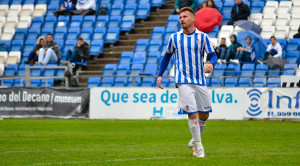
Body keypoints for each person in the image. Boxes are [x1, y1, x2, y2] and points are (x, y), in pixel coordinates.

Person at [157, 7, 217, 158]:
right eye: (180, 17)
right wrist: (160, 75)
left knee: (204, 116)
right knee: (193, 113)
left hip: (200, 80)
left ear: (193, 19)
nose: (181, 19)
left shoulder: (203, 37)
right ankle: (199, 147)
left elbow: (213, 55)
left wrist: (211, 64)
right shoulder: (174, 38)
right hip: (183, 80)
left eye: (184, 17)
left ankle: (194, 140)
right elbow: (166, 57)